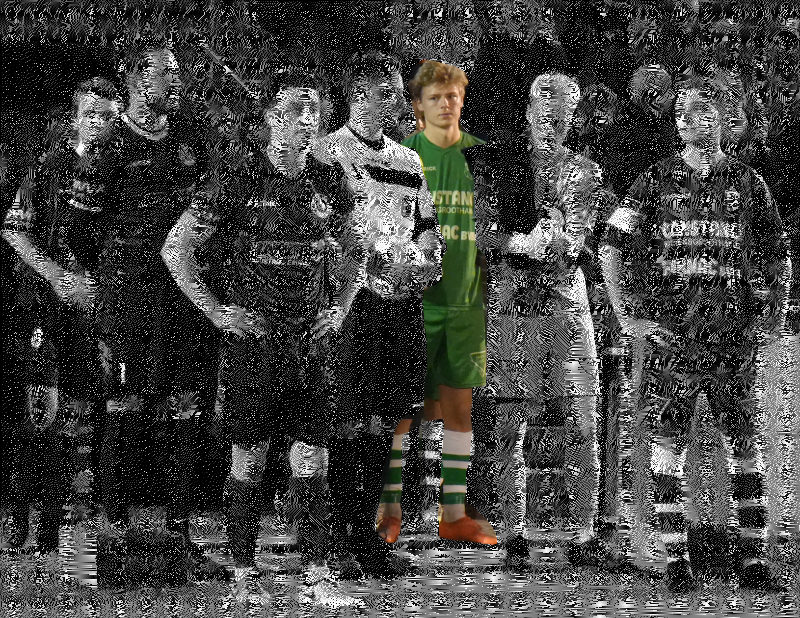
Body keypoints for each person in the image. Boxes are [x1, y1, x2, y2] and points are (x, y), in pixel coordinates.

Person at [163, 68, 363, 608]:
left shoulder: (330, 181)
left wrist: (341, 306)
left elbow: (357, 250)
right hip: (254, 343)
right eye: (298, 109)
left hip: (309, 344)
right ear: (273, 118)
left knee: (312, 459)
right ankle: (244, 571)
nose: (309, 119)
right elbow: (176, 249)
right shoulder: (237, 178)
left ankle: (318, 573)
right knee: (249, 458)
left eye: (316, 109)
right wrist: (215, 311)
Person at [600, 78, 788, 592]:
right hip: (674, 337)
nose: (688, 120)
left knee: (744, 443)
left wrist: (774, 312)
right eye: (683, 112)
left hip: (732, 337)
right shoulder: (654, 179)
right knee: (667, 445)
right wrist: (627, 316)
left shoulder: (748, 182)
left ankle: (752, 558)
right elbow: (611, 244)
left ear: (724, 121)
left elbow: (777, 253)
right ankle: (676, 557)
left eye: (702, 111)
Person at [465, 73, 622, 571]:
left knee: (581, 417)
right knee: (509, 422)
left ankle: (584, 533)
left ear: (574, 118)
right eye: (545, 114)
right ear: (529, 112)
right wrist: (520, 242)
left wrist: (572, 242)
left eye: (563, 116)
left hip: (566, 297)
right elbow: (473, 229)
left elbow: (597, 234)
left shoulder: (587, 172)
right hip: (511, 298)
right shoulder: (497, 164)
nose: (553, 124)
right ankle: (513, 535)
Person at [91, 38, 224, 589]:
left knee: (185, 408)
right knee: (125, 409)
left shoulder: (190, 138)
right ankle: (113, 539)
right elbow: (84, 227)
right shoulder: (109, 146)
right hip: (129, 299)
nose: (178, 81)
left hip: (181, 298)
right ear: (139, 80)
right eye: (168, 73)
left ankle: (179, 535)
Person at [316, 50, 444, 579]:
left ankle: (369, 537)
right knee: (343, 420)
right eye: (384, 92)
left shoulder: (409, 160)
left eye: (397, 92)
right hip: (350, 301)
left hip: (399, 301)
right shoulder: (328, 152)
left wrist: (429, 261)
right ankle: (334, 538)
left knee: (387, 422)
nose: (395, 101)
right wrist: (354, 270)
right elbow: (323, 230)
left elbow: (428, 227)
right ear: (357, 96)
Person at [375, 60, 496, 546]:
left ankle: (449, 507)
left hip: (465, 296)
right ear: (416, 106)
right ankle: (399, 506)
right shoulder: (400, 159)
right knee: (408, 408)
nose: (444, 105)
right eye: (433, 97)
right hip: (410, 299)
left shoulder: (481, 160)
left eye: (453, 96)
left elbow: (490, 229)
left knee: (457, 404)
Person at [1, 77, 120, 554]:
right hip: (42, 307)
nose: (98, 124)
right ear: (74, 119)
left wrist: (99, 286)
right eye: (90, 114)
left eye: (107, 116)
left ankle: (53, 529)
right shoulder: (47, 167)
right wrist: (56, 276)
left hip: (92, 311)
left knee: (77, 419)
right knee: (38, 414)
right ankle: (18, 518)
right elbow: (13, 229)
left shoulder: (120, 172)